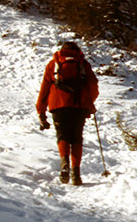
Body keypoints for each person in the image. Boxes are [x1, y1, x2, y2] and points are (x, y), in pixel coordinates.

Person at [36, 40, 98, 185]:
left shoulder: (54, 63)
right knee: (76, 137)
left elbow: (44, 89)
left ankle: (64, 162)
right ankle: (76, 172)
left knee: (62, 135)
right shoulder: (83, 63)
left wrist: (41, 111)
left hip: (58, 105)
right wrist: (89, 102)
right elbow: (93, 84)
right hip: (79, 105)